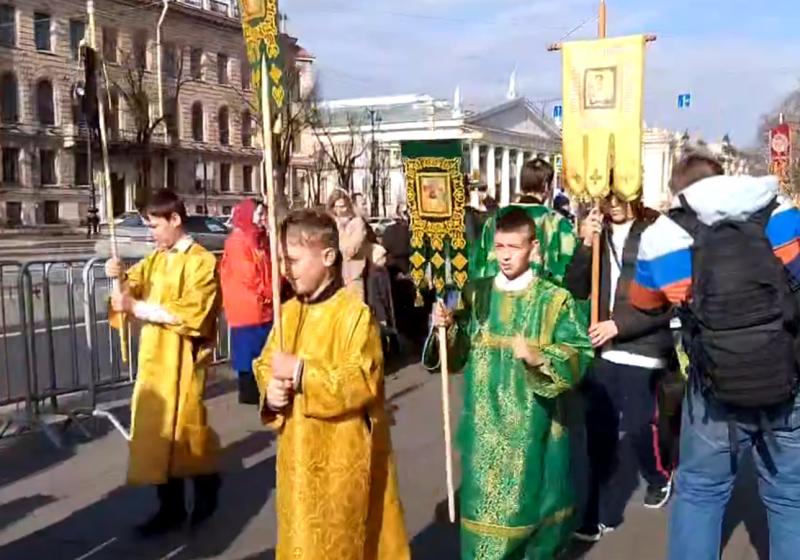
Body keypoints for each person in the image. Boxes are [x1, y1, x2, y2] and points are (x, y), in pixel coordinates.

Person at [630, 153, 800, 560]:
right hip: (786, 375)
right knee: (789, 495)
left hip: (713, 384)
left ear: (679, 190)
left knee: (701, 492)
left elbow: (643, 302)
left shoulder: (664, 233)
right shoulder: (781, 212)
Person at [432, 208, 592, 559]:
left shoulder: (554, 299)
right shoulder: (476, 293)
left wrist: (539, 357)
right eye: (500, 246)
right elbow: (454, 354)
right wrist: (446, 327)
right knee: (484, 533)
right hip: (485, 431)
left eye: (514, 247)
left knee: (535, 523)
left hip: (534, 430)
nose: (505, 256)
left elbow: (579, 351)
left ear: (533, 248)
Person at [254, 209, 410, 560]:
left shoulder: (354, 315)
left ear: (327, 257)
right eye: (282, 260)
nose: (286, 269)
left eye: (294, 260)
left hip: (341, 458)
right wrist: (271, 391)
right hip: (296, 458)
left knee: (341, 543)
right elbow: (266, 363)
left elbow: (361, 380)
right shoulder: (287, 313)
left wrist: (301, 373)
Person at [105, 189, 221, 537]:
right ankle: (169, 507)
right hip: (155, 359)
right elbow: (132, 287)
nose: (152, 234)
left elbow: (192, 313)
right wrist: (119, 278)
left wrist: (137, 308)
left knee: (186, 430)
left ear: (175, 219)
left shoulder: (201, 261)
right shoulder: (155, 259)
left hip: (184, 358)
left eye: (155, 226)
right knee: (157, 433)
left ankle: (206, 486)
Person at [565, 194, 675, 542]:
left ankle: (658, 475)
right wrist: (585, 245)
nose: (613, 203)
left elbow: (668, 302)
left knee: (640, 424)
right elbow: (574, 287)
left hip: (642, 347)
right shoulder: (597, 234)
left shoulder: (656, 231)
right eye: (607, 196)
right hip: (603, 349)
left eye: (619, 196)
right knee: (599, 433)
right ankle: (596, 514)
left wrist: (619, 325)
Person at [470, 158, 577, 286]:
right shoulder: (557, 223)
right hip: (540, 295)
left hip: (496, 294)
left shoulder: (492, 221)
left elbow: (478, 266)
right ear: (546, 185)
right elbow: (570, 267)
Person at [220, 199, 274, 405]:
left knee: (261, 349)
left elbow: (268, 268)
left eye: (263, 214)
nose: (261, 219)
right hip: (247, 307)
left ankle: (259, 389)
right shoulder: (238, 241)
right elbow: (248, 274)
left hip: (262, 305)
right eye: (258, 214)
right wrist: (268, 291)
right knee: (248, 352)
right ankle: (249, 393)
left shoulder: (259, 239)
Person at [328, 191, 386, 299]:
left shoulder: (357, 223)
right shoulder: (331, 225)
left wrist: (341, 229)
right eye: (337, 207)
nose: (342, 210)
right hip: (335, 278)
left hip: (354, 277)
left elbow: (350, 251)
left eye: (343, 206)